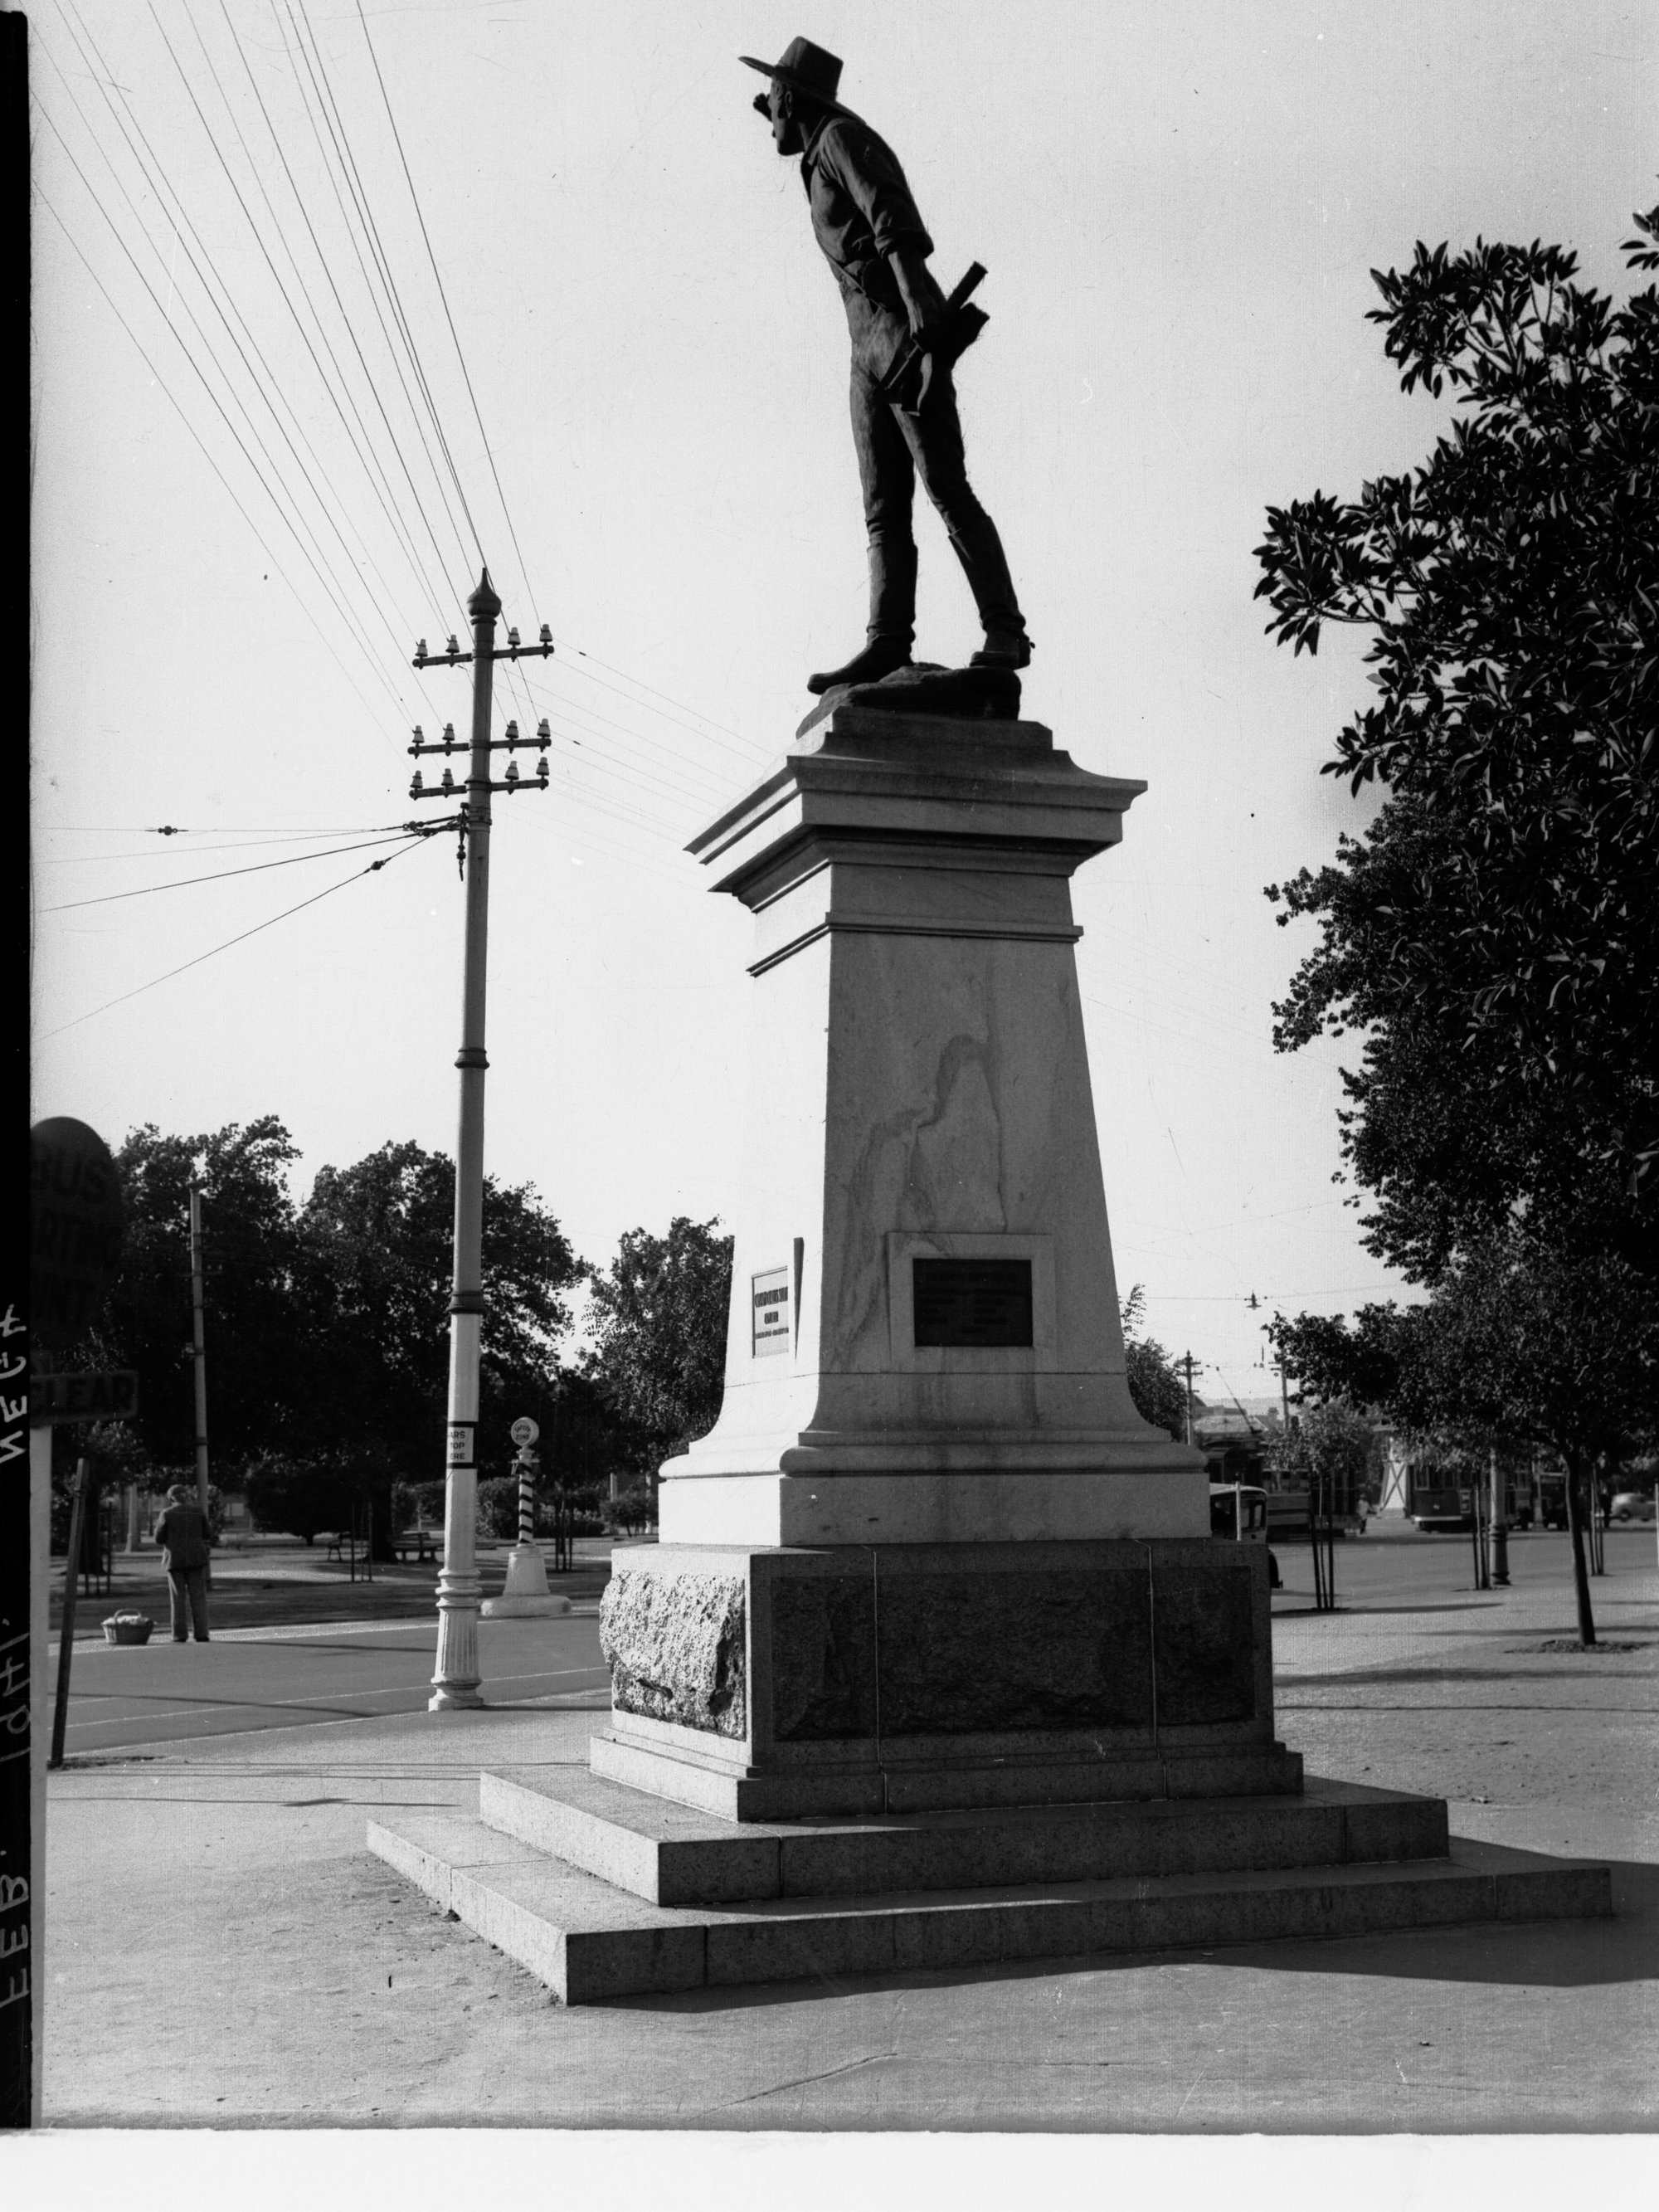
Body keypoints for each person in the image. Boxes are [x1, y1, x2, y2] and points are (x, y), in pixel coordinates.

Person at [741, 37, 1032, 693]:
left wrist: (921, 316)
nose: (768, 118)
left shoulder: (843, 139)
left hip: (901, 332)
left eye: (774, 104)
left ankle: (1006, 627)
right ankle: (887, 641)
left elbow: (891, 218)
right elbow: (803, 148)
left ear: (793, 100)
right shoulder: (816, 152)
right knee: (882, 508)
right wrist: (781, 118)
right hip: (863, 350)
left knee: (946, 487)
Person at [153, 1482, 212, 1643]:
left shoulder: (166, 1514)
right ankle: (201, 1633)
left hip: (175, 1561)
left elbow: (159, 1539)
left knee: (177, 1599)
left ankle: (179, 1635)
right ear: (186, 1497)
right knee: (199, 1598)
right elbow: (207, 1534)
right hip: (196, 1559)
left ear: (171, 1498)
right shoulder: (198, 1511)